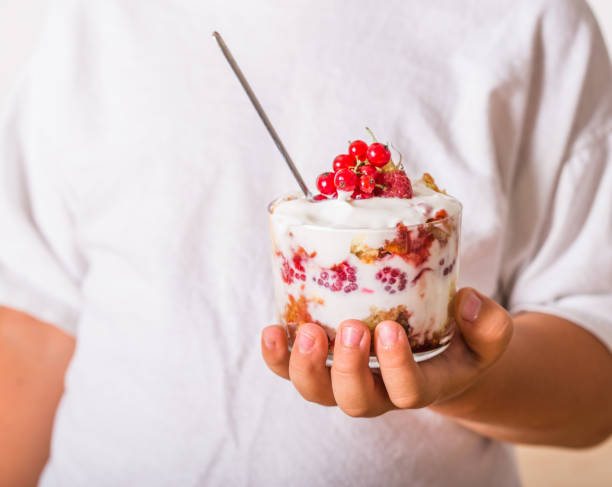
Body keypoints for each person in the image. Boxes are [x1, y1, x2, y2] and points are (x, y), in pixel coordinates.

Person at [1, 0, 611, 485]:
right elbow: (32, 334)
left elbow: (596, 370)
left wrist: (469, 380)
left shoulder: (531, 17)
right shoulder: (94, 18)